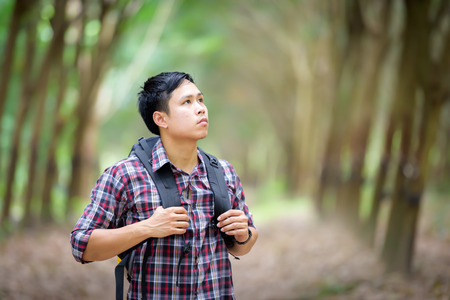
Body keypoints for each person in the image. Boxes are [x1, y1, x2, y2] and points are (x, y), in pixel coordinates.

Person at [70, 71, 258, 299]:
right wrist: (147, 227)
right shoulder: (125, 174)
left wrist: (242, 234)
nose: (200, 108)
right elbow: (82, 245)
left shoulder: (224, 172)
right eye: (187, 102)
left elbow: (243, 244)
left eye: (200, 100)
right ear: (161, 119)